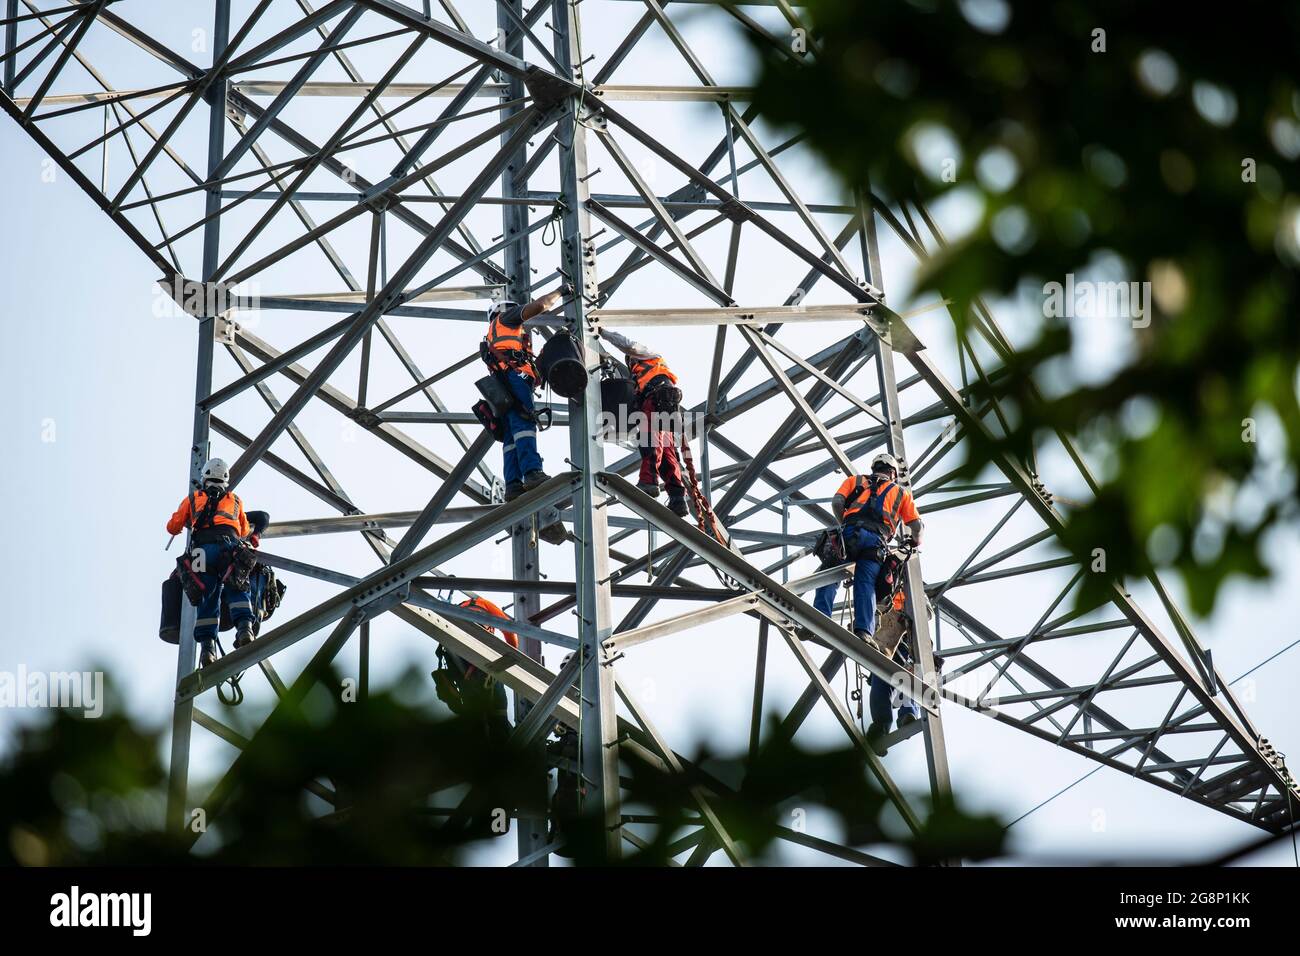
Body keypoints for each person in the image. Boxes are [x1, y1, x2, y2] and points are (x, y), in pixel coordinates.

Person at [166, 458, 259, 668]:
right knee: (238, 586)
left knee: (207, 598)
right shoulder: (235, 500)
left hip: (201, 553)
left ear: (205, 477)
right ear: (225, 480)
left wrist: (188, 521)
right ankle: (245, 629)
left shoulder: (193, 498)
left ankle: (207, 651)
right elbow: (243, 531)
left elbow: (173, 527)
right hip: (229, 548)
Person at [482, 288, 566, 500]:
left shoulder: (494, 337)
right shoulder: (505, 319)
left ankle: (513, 485)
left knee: (512, 434)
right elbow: (539, 306)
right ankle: (532, 472)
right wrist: (559, 292)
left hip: (503, 384)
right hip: (513, 379)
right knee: (524, 424)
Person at [598, 329, 688, 516]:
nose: (630, 363)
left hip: (658, 399)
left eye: (631, 360)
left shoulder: (649, 356)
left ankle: (649, 481)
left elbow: (629, 344)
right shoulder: (640, 379)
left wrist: (602, 333)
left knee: (650, 442)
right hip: (664, 403)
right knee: (667, 453)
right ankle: (678, 498)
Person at [436, 597, 518, 743]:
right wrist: (511, 654)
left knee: (475, 721)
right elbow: (509, 631)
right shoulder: (484, 603)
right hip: (483, 666)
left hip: (462, 669)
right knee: (498, 717)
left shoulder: (456, 612)